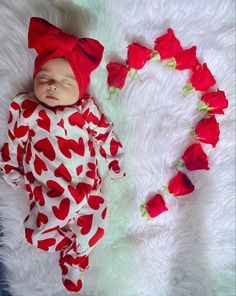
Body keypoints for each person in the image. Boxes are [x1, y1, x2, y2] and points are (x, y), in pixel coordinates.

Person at [0, 17, 125, 293]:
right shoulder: (28, 109)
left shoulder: (85, 110)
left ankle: (76, 255)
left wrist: (114, 158)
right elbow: (13, 139)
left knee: (95, 217)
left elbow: (104, 132)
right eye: (45, 79)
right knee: (40, 226)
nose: (53, 86)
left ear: (80, 89)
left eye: (64, 82)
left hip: (85, 184)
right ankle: (61, 243)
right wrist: (10, 167)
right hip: (48, 185)